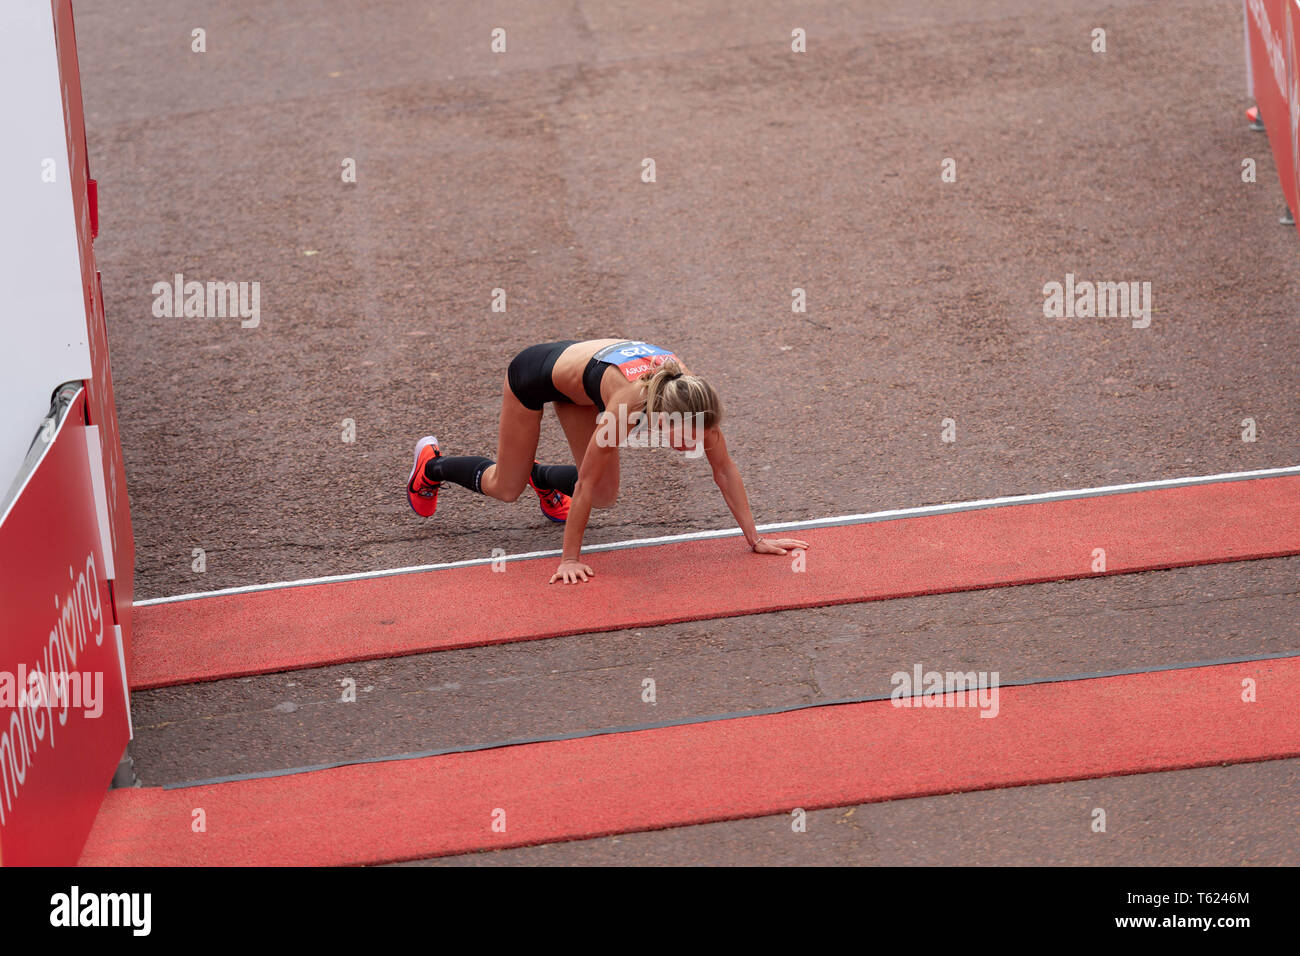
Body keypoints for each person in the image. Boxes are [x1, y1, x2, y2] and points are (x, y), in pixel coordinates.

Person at [407, 339, 809, 584]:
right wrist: (569, 560)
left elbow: (724, 470)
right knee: (506, 487)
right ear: (661, 419)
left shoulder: (695, 403)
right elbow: (581, 484)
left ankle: (543, 480)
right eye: (685, 439)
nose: (692, 448)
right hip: (534, 374)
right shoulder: (625, 409)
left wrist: (756, 540)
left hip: (585, 378)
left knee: (605, 494)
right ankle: (431, 466)